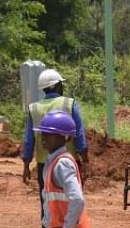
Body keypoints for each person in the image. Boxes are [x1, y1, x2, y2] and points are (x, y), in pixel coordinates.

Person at [21, 68, 89, 219]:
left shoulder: (34, 108)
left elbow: (28, 140)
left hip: (43, 165)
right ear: (57, 86)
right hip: (69, 161)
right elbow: (79, 134)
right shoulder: (69, 104)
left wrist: (26, 165)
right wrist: (85, 161)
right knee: (71, 199)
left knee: (47, 201)